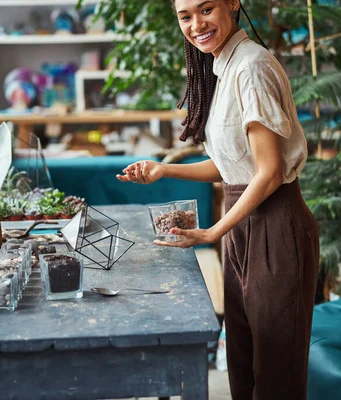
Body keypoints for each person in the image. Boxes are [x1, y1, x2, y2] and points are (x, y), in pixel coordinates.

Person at [116, 1, 319, 398]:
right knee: (242, 369)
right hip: (243, 228)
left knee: (276, 378)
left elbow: (270, 172)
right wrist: (165, 169)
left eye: (206, 9)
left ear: (232, 3)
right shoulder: (222, 67)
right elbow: (234, 166)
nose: (196, 25)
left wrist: (213, 231)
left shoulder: (251, 68)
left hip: (276, 229)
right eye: (185, 16)